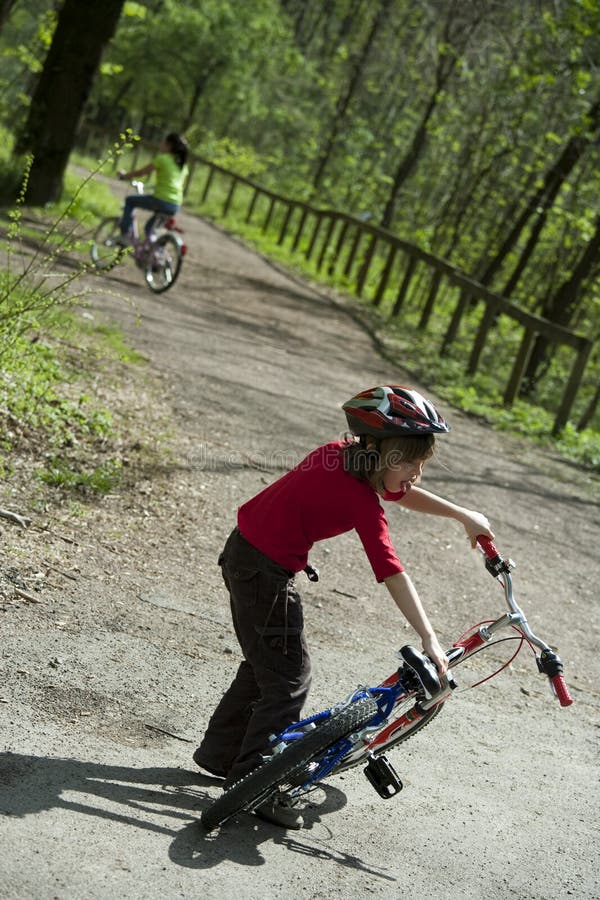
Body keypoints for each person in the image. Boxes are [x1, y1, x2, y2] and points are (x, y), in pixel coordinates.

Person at [195, 385, 494, 829]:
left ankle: (222, 755)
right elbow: (392, 571)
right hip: (261, 573)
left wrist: (462, 515)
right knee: (288, 677)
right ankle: (254, 782)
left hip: (247, 558)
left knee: (266, 663)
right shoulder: (359, 497)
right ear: (378, 451)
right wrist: (430, 639)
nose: (416, 472)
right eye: (410, 461)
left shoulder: (339, 455)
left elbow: (397, 490)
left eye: (421, 463)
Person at [116, 132, 189, 244]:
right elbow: (173, 184)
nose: (161, 144)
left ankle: (124, 235)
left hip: (161, 200)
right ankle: (153, 252)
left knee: (130, 200)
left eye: (163, 142)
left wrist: (125, 176)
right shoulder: (182, 165)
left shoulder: (163, 159)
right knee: (149, 229)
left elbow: (142, 172)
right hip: (175, 204)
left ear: (169, 145)